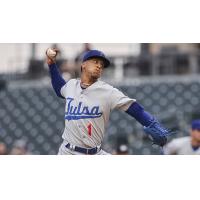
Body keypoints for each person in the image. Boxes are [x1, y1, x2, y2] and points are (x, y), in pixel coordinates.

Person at [46, 48, 171, 155]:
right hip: (67, 152)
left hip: (95, 152)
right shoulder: (71, 85)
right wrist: (51, 64)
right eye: (95, 62)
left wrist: (151, 123)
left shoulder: (107, 91)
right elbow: (59, 89)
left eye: (102, 64)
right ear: (83, 64)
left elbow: (134, 108)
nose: (99, 66)